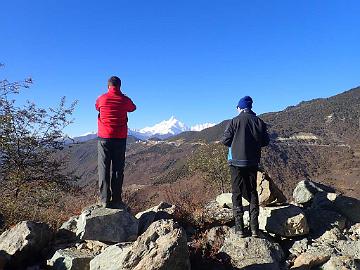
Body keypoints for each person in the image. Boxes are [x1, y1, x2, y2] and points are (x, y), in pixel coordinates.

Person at [221, 96, 269, 237]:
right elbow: (265, 141)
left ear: (240, 107)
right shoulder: (259, 122)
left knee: (237, 192)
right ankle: (254, 228)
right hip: (252, 162)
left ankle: (239, 228)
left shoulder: (234, 121)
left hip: (235, 162)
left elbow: (225, 140)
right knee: (252, 191)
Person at [95, 76, 136, 208]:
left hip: (104, 138)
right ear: (120, 86)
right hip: (120, 138)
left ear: (108, 86)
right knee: (118, 169)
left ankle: (104, 199)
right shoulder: (125, 100)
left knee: (104, 168)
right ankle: (117, 199)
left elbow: (96, 107)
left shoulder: (102, 98)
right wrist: (123, 97)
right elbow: (133, 108)